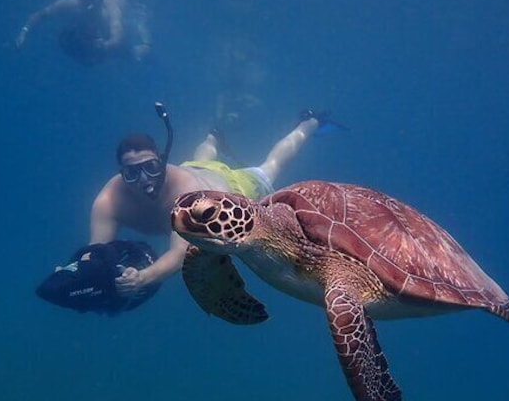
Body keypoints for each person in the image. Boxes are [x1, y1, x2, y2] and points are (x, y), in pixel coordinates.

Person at [89, 108, 338, 297]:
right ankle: (213, 138)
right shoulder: (109, 200)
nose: (144, 180)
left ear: (163, 162)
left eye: (151, 167)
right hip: (197, 169)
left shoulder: (185, 192)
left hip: (234, 186)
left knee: (271, 167)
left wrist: (143, 278)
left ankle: (310, 122)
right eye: (132, 173)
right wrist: (76, 271)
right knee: (201, 158)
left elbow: (179, 254)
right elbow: (96, 251)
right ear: (121, 174)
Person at [15, 0, 151, 66]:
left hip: (103, 42)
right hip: (84, 41)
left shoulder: (110, 7)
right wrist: (25, 30)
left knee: (131, 53)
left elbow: (117, 33)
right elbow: (41, 15)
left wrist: (103, 46)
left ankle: (140, 46)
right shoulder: (69, 3)